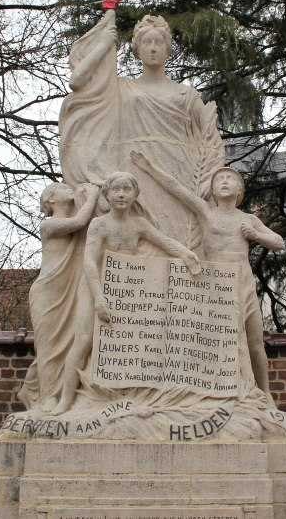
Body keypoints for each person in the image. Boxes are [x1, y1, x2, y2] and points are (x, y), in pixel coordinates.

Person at [59, 10, 224, 252]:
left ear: (168, 49)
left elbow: (210, 138)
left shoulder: (187, 95)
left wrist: (210, 176)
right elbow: (77, 82)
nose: (153, 48)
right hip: (133, 170)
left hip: (181, 174)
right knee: (142, 244)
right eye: (147, 42)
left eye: (159, 42)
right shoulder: (121, 88)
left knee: (181, 243)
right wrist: (104, 44)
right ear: (138, 49)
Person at [130, 150, 285, 405]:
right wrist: (148, 166)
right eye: (219, 179)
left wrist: (256, 235)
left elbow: (278, 242)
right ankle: (220, 389)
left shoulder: (248, 219)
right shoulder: (205, 211)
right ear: (212, 190)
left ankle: (264, 391)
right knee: (218, 337)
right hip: (215, 281)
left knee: (254, 340)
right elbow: (176, 188)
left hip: (242, 279)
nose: (224, 181)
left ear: (239, 191)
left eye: (230, 179)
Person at [51, 171, 202, 414]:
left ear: (135, 194)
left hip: (126, 293)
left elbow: (164, 242)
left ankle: (128, 399)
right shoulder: (99, 224)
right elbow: (89, 261)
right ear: (107, 195)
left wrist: (185, 253)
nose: (121, 194)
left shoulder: (139, 224)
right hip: (95, 287)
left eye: (126, 189)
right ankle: (65, 400)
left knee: (132, 343)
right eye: (116, 190)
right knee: (84, 340)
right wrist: (99, 298)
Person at [17, 182, 99, 413]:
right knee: (49, 346)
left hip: (70, 289)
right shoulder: (49, 226)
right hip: (48, 291)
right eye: (62, 188)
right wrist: (92, 196)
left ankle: (37, 389)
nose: (68, 189)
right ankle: (46, 397)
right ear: (51, 200)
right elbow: (79, 222)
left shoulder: (74, 226)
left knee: (69, 342)